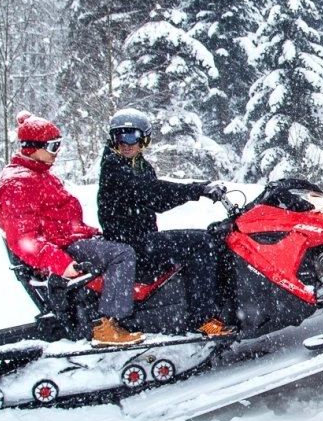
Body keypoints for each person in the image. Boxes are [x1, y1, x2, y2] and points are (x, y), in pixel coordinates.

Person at [0, 112, 143, 346]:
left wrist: (93, 234)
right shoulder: (20, 183)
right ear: (33, 147)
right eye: (53, 146)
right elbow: (24, 240)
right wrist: (62, 264)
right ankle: (108, 324)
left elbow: (60, 221)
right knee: (122, 254)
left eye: (59, 145)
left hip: (67, 241)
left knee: (125, 246)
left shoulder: (38, 175)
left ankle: (138, 311)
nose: (57, 151)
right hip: (62, 249)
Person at [97, 108, 233, 336]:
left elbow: (157, 201)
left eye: (132, 136)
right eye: (119, 136)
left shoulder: (141, 167)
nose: (126, 143)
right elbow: (153, 193)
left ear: (144, 139)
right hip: (130, 244)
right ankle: (202, 319)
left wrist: (197, 191)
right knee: (202, 243)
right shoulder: (113, 168)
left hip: (141, 239)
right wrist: (198, 189)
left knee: (215, 239)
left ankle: (223, 306)